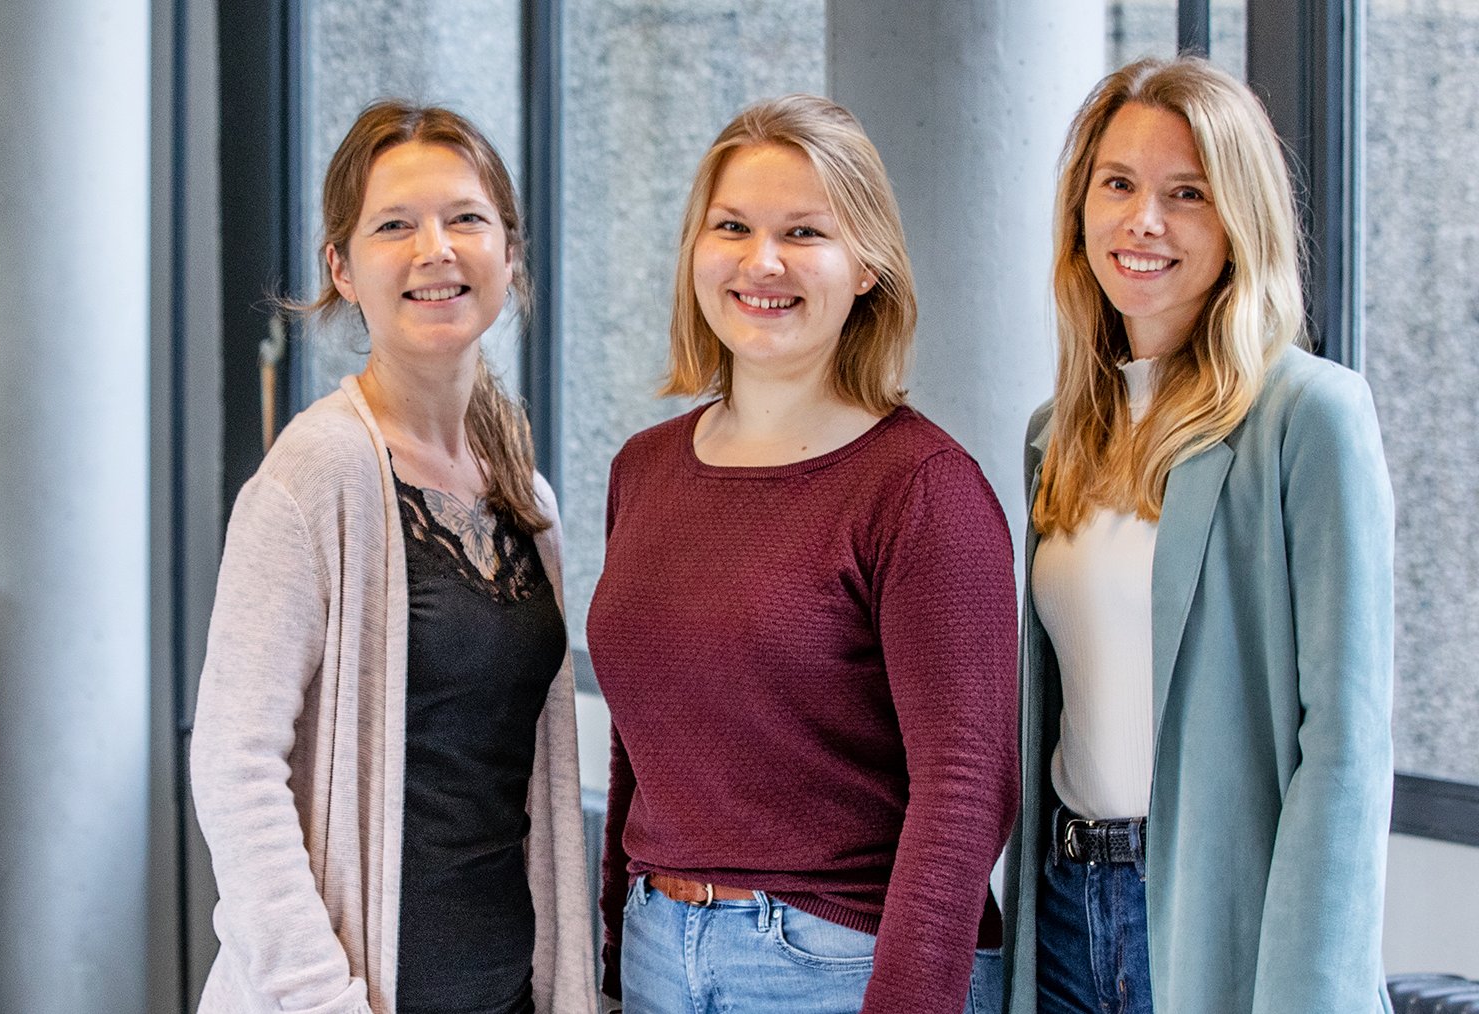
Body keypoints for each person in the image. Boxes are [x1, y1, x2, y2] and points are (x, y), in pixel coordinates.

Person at [590, 94, 1017, 1014]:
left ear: (866, 265)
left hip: (840, 964)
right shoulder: (644, 470)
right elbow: (642, 747)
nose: (762, 262)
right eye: (732, 227)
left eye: (805, 232)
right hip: (661, 950)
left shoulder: (922, 487)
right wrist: (618, 955)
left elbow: (971, 783)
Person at [1006, 56, 1394, 1014]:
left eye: (1189, 193)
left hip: (1212, 917)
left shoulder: (1310, 416)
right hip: (1063, 909)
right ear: (1081, 209)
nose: (1145, 221)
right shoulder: (1057, 433)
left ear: (1238, 224)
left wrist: (1305, 992)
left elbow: (1344, 746)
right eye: (1119, 185)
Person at [188, 99, 594, 1014]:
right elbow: (233, 764)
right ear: (342, 266)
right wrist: (317, 997)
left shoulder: (526, 495)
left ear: (510, 251)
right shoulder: (315, 473)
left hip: (507, 989)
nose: (435, 250)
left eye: (465, 219)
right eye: (395, 226)